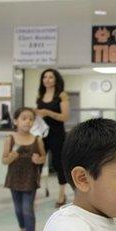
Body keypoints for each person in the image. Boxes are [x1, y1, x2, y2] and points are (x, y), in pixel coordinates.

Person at [2, 107, 46, 231]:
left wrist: (38, 160)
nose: (28, 121)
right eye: (24, 118)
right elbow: (4, 160)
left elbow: (43, 157)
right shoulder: (10, 139)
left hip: (30, 179)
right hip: (14, 179)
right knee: (18, 208)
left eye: (31, 119)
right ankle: (22, 230)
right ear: (16, 121)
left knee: (27, 208)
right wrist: (11, 157)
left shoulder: (37, 139)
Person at [36, 68, 70, 207]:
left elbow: (65, 116)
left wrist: (48, 112)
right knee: (37, 162)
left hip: (57, 134)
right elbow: (39, 115)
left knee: (58, 163)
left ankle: (62, 194)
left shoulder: (61, 95)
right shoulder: (40, 95)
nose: (47, 79)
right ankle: (33, 193)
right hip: (41, 133)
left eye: (50, 77)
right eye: (45, 77)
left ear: (56, 79)